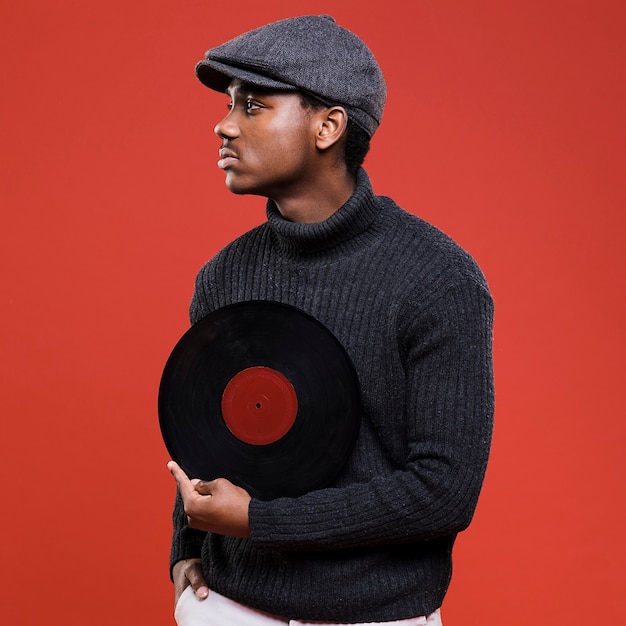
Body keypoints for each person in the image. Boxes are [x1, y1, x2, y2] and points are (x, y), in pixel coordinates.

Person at [167, 14, 494, 626]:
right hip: (228, 608)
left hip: (372, 616)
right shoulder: (223, 276)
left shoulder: (438, 277)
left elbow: (443, 492)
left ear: (327, 126)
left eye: (254, 106)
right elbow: (201, 430)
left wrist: (260, 523)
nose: (223, 124)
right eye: (229, 104)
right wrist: (184, 550)